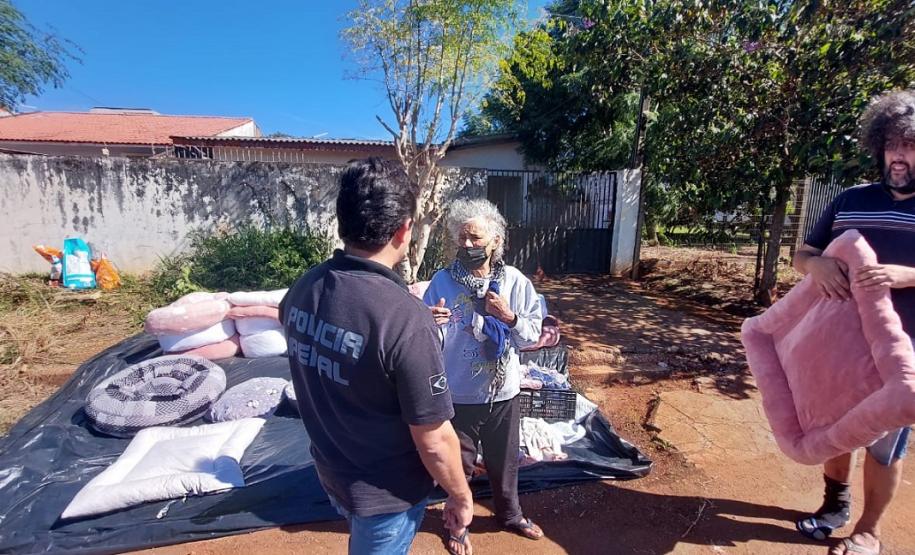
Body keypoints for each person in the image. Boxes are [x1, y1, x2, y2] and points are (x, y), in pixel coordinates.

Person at [280, 158, 473, 555]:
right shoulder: (405, 318)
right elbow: (435, 440)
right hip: (386, 495)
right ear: (403, 230)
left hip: (331, 469)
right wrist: (461, 496)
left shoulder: (305, 287)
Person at [793, 90, 915, 555]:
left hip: (900, 355)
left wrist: (908, 276)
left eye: (908, 145)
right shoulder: (850, 200)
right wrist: (815, 266)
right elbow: (802, 253)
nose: (898, 156)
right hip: (843, 346)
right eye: (891, 145)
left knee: (883, 444)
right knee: (838, 430)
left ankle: (868, 530)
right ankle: (834, 507)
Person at [423, 198, 545, 555]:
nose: (468, 245)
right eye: (462, 238)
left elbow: (532, 335)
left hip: (503, 392)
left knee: (504, 462)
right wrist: (431, 324)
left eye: (476, 238)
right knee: (458, 467)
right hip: (458, 393)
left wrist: (509, 318)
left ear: (495, 241)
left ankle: (510, 515)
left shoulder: (515, 283)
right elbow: (427, 340)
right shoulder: (442, 283)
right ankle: (457, 526)